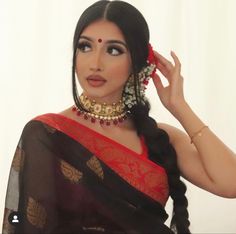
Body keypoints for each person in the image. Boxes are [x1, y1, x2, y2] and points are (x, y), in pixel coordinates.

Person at [2, 1, 236, 233]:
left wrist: (179, 106)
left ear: (138, 62)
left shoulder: (160, 139)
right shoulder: (48, 135)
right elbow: (28, 225)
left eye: (113, 50)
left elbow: (231, 183)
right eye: (85, 47)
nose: (95, 63)